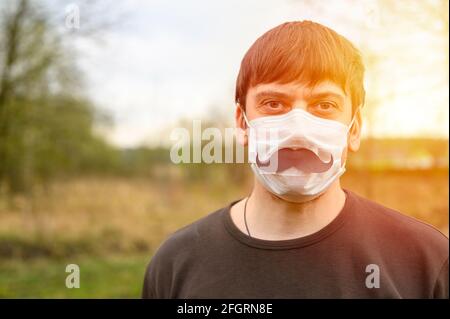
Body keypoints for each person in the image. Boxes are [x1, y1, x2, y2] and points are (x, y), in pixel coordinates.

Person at [142, 21, 449, 299]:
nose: (298, 131)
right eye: (274, 103)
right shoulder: (176, 264)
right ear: (241, 123)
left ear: (353, 129)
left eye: (324, 104)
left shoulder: (426, 262)